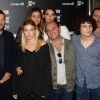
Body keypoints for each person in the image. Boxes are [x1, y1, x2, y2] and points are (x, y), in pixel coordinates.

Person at [13, 20, 52, 100]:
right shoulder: (20, 47)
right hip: (23, 90)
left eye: (31, 30)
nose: (29, 33)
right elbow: (16, 68)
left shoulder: (43, 46)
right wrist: (14, 90)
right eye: (26, 30)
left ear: (35, 30)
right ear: (23, 32)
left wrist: (46, 91)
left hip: (39, 91)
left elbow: (47, 69)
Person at [45, 21, 76, 100]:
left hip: (68, 88)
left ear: (59, 29)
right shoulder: (45, 48)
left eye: (53, 28)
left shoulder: (72, 44)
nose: (51, 31)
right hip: (52, 89)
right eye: (48, 30)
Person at [72, 15, 100, 100]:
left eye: (90, 26)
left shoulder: (99, 43)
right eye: (84, 26)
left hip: (97, 82)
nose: (88, 29)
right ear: (78, 28)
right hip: (81, 82)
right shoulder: (74, 39)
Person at [0, 10, 16, 100]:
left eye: (2, 19)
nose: (0, 22)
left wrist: (9, 73)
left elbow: (13, 57)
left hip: (7, 80)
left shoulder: (9, 36)